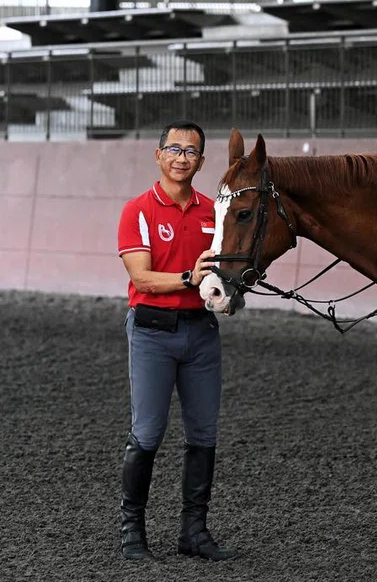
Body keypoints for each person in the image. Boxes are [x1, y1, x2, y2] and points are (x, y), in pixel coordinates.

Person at [116, 120, 237, 561]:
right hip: (151, 333)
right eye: (174, 148)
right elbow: (141, 277)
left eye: (191, 152)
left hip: (202, 334)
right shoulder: (138, 210)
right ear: (159, 155)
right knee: (147, 433)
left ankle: (194, 532)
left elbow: (225, 270)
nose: (182, 157)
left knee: (204, 434)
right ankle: (133, 533)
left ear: (201, 162)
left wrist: (230, 293)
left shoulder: (213, 212)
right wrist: (189, 278)